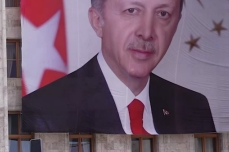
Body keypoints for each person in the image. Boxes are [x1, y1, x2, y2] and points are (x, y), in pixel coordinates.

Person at [22, 0, 215, 134]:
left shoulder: (193, 106)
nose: (146, 32)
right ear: (98, 21)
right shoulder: (45, 109)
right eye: (132, 10)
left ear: (176, 25)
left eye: (163, 14)